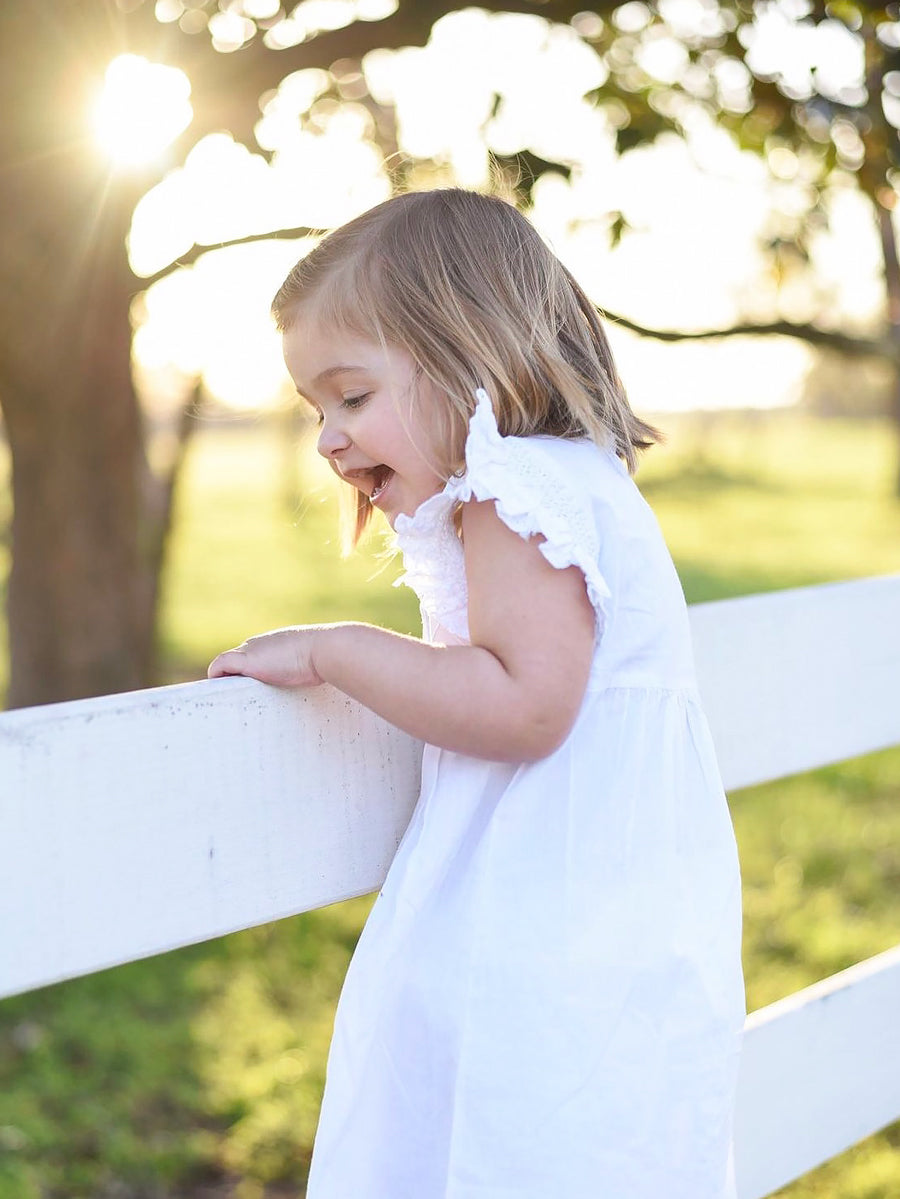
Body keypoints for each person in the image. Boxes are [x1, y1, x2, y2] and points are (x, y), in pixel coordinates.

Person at [207, 187, 746, 1198]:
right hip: (604, 930)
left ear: (467, 354)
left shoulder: (515, 493)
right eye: (316, 409)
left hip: (546, 952)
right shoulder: (575, 484)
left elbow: (521, 707)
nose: (329, 437)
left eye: (353, 396)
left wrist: (336, 651)